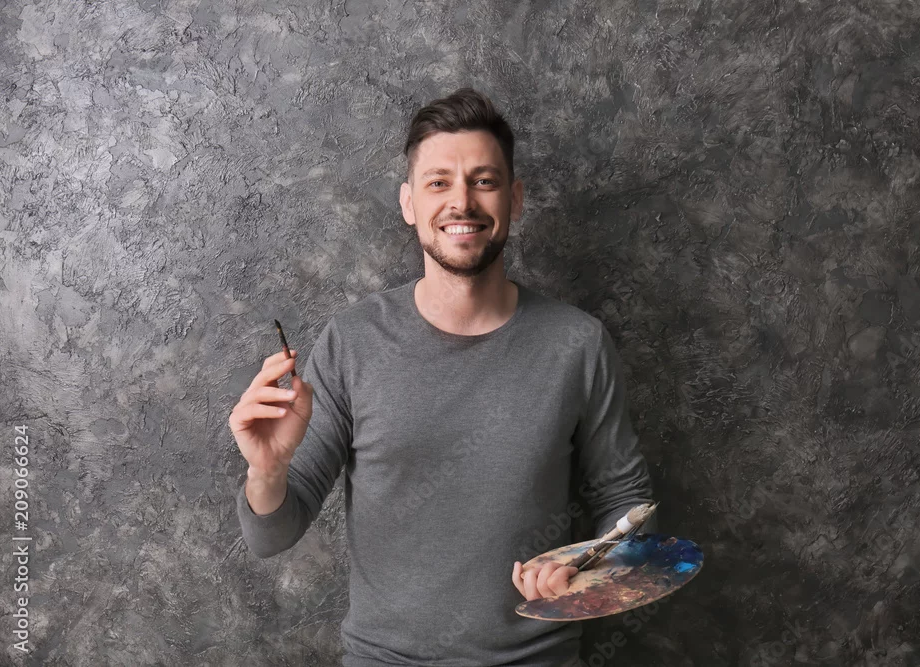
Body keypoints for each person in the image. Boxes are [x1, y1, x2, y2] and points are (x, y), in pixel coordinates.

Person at [230, 87, 658, 667]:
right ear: (409, 203)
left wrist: (586, 571)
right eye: (439, 182)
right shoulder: (352, 342)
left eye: (484, 181)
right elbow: (269, 536)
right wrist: (267, 471)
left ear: (514, 199)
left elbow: (626, 503)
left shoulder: (578, 344)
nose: (462, 201)